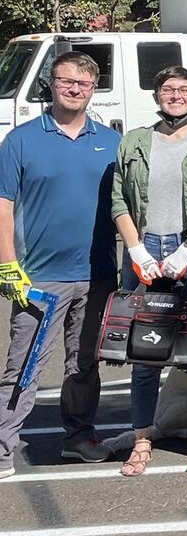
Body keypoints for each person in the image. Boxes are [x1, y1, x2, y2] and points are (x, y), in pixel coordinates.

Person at [0, 52, 121, 478]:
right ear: (51, 84)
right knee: (26, 362)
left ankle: (78, 437)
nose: (74, 89)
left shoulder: (112, 142)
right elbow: (3, 206)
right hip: (40, 278)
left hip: (97, 275)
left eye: (84, 84)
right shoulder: (20, 140)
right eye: (66, 81)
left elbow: (126, 208)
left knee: (84, 364)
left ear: (93, 89)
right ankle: (2, 444)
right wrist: (6, 265)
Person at [112, 66, 187, 476]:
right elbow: (119, 200)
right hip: (144, 247)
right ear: (157, 95)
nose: (176, 95)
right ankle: (142, 437)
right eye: (168, 89)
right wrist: (135, 249)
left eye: (185, 89)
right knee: (144, 349)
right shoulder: (134, 141)